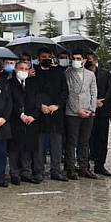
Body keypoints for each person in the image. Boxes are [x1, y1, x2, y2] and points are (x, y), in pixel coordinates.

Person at [34, 48, 69, 182]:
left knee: (56, 145)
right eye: (44, 56)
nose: (47, 59)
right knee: (39, 145)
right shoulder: (33, 72)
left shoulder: (59, 72)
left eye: (49, 56)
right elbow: (32, 92)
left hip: (56, 114)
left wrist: (57, 105)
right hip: (40, 114)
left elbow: (64, 91)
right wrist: (40, 105)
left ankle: (56, 170)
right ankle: (38, 171)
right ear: (38, 57)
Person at [63, 51, 98, 180]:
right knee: (72, 141)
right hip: (72, 113)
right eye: (74, 58)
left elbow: (94, 92)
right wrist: (78, 110)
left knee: (85, 141)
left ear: (84, 60)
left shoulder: (90, 74)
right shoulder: (67, 73)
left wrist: (91, 109)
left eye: (78, 58)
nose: (76, 60)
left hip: (88, 112)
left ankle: (84, 167)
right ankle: (71, 168)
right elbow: (68, 93)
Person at [8, 61, 42, 185]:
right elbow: (10, 102)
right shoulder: (10, 83)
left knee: (28, 147)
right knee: (14, 148)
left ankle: (26, 172)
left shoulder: (33, 83)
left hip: (31, 120)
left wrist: (33, 115)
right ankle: (14, 173)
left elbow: (38, 101)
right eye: (21, 68)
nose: (24, 70)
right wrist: (21, 114)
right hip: (16, 120)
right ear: (16, 70)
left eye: (26, 68)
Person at [86, 53, 111, 176]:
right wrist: (92, 102)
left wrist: (103, 101)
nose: (88, 61)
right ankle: (85, 165)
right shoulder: (83, 73)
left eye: (90, 59)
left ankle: (100, 165)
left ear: (96, 60)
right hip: (87, 110)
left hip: (102, 109)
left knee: (102, 139)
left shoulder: (105, 73)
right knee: (87, 139)